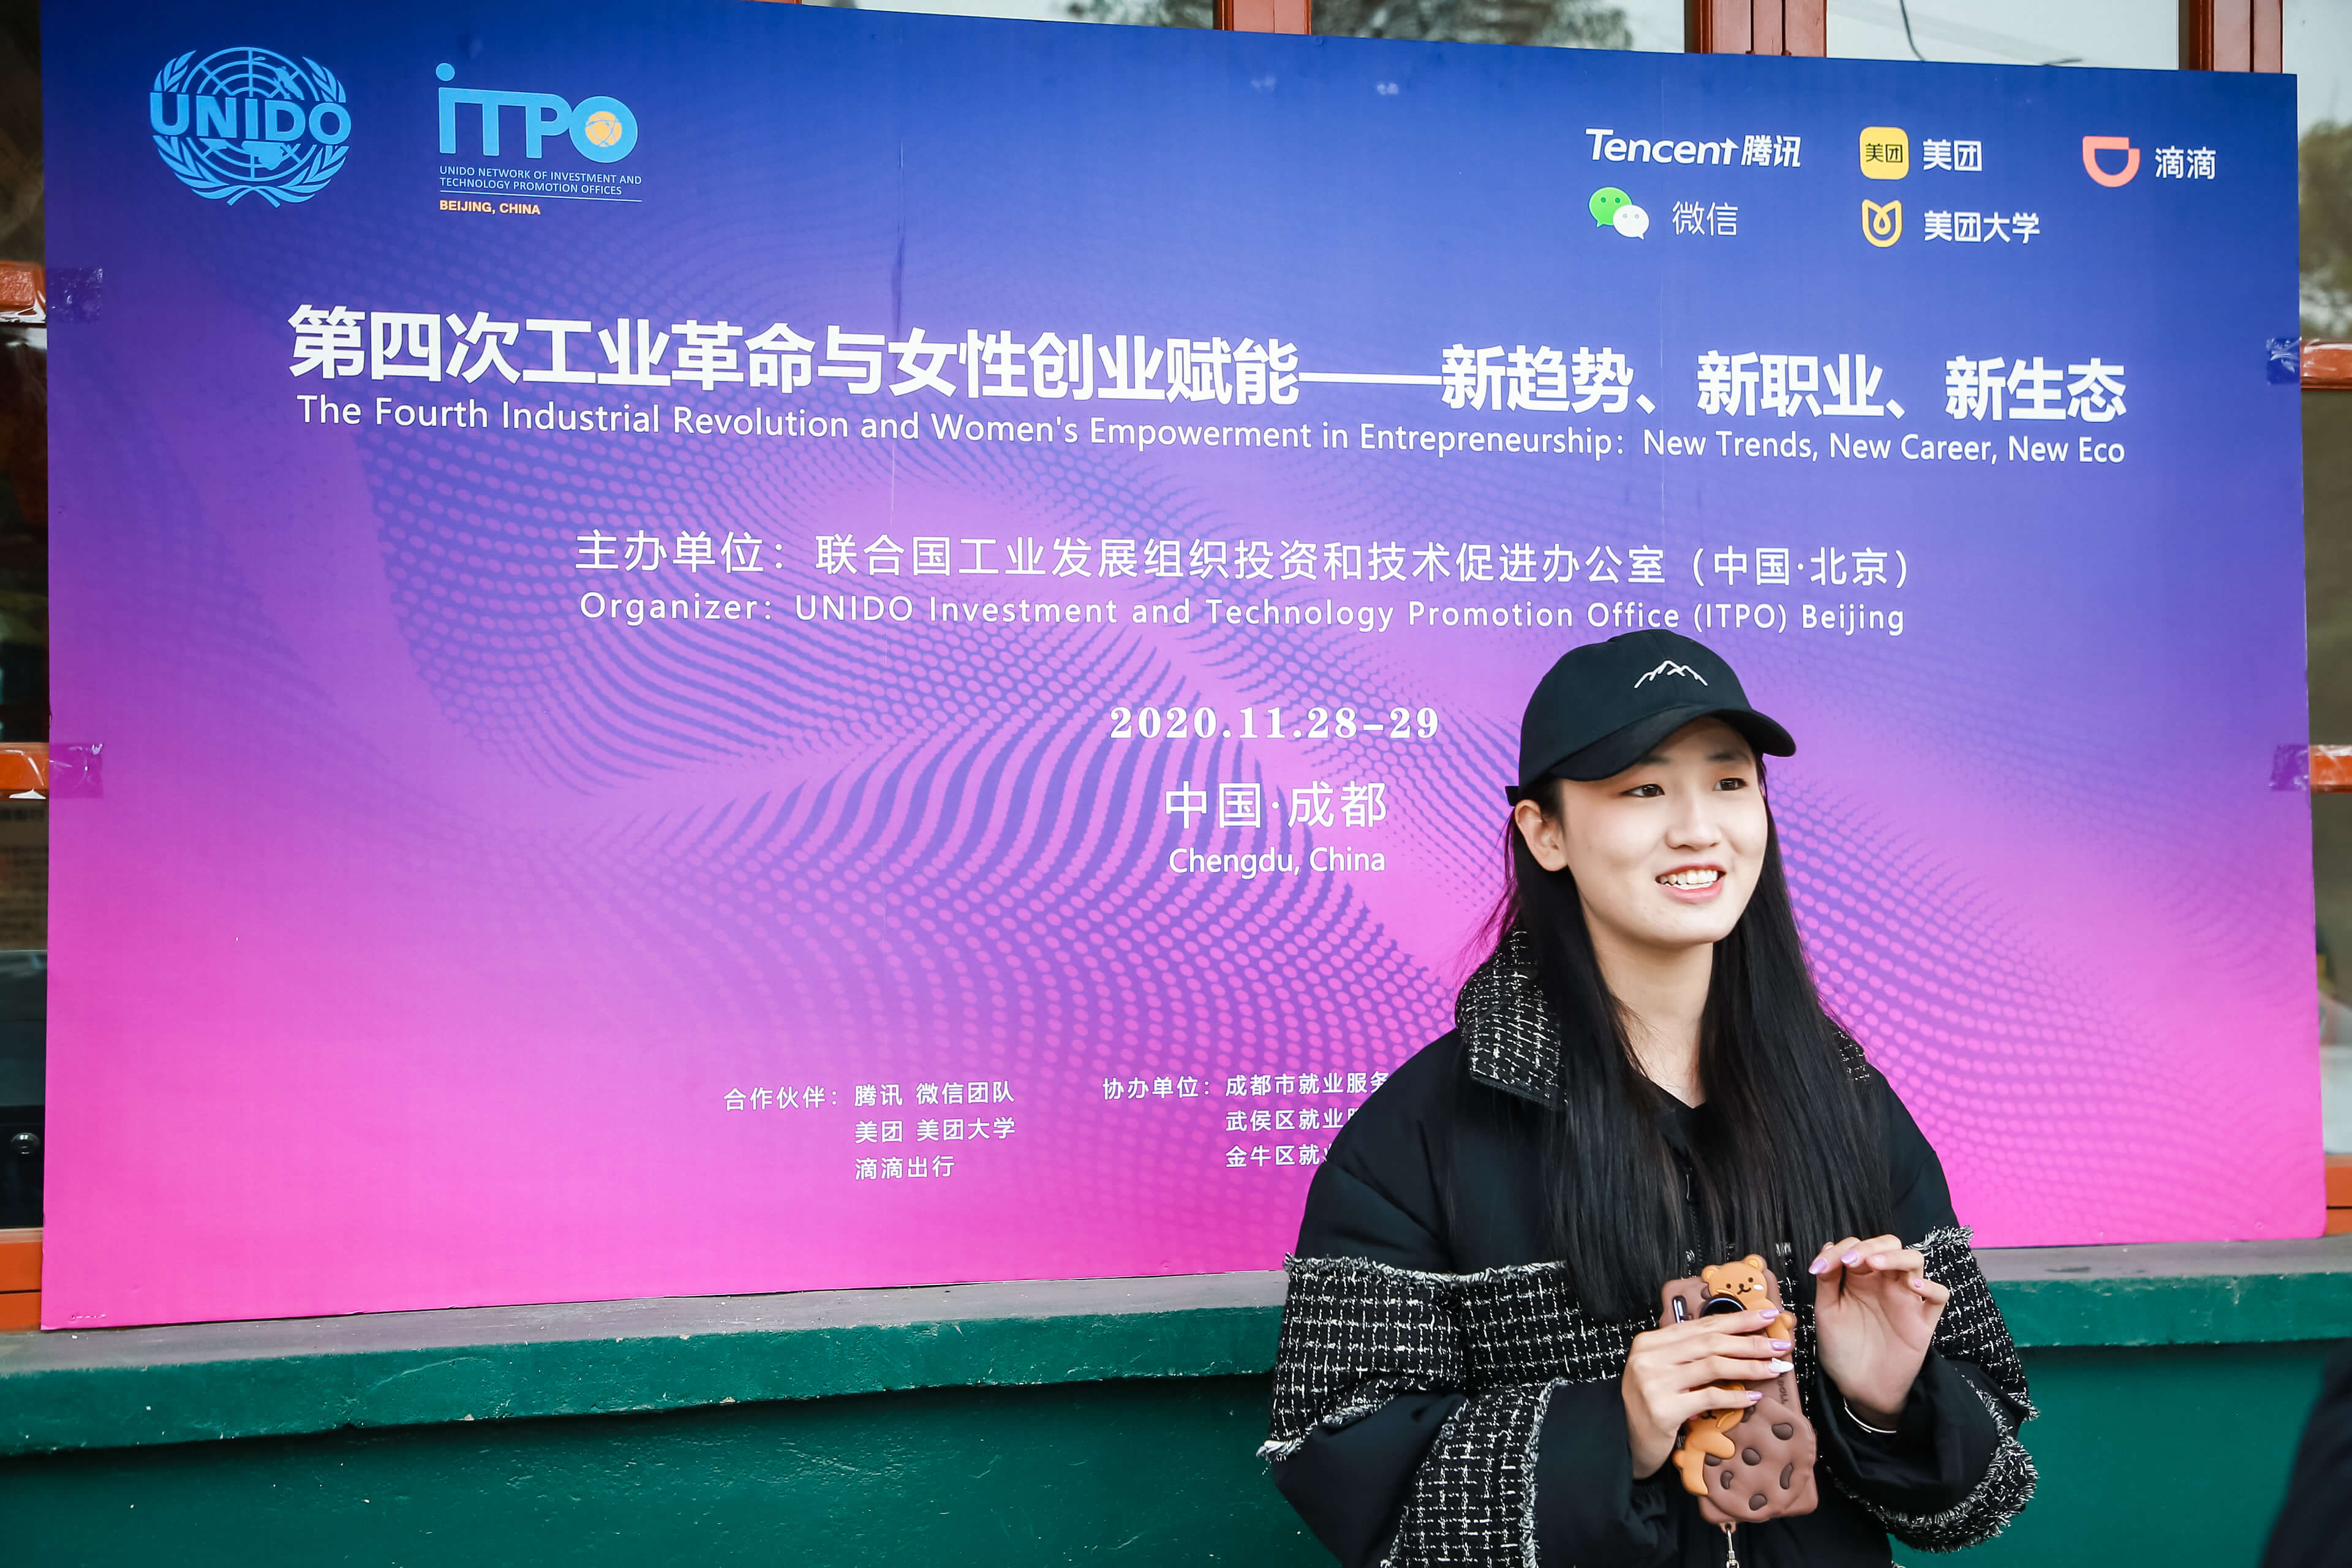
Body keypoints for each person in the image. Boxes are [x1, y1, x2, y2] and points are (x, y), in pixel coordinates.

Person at [1262, 630, 2035, 1567]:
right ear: (1545, 832)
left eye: (1730, 781)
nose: (1699, 828)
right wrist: (1615, 1430)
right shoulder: (1423, 1131)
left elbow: (1985, 1492)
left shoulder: (1847, 1101)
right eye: (1643, 789)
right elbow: (1339, 1462)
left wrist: (1885, 1402)